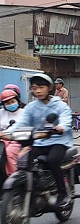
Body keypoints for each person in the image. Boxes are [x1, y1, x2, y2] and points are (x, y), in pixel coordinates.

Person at [1, 74, 73, 208]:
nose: (38, 91)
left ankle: (62, 193)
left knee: (52, 160)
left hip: (58, 141)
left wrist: (61, 127)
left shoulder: (59, 105)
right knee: (24, 159)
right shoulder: (31, 107)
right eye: (34, 88)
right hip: (39, 141)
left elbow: (65, 118)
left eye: (41, 87)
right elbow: (21, 123)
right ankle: (33, 187)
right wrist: (6, 133)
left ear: (49, 88)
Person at [0, 89, 25, 175]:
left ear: (17, 101)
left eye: (12, 101)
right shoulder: (1, 113)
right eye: (7, 103)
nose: (10, 105)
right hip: (2, 139)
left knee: (9, 153)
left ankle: (13, 176)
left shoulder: (24, 113)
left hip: (18, 140)